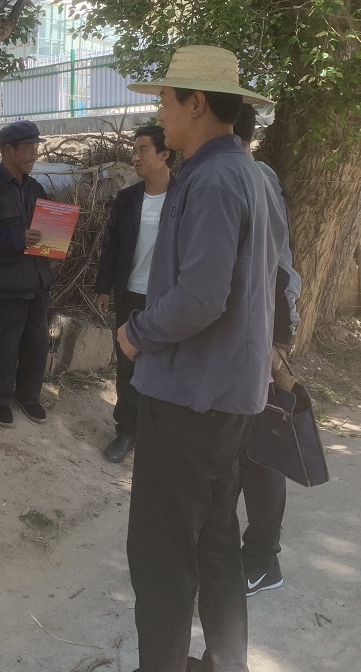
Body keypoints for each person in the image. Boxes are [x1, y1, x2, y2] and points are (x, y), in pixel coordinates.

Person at [119, 46, 286, 671]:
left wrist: (137, 332)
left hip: (190, 397)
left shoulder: (213, 179)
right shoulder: (244, 172)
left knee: (160, 553)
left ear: (195, 103)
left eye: (166, 100)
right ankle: (224, 661)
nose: (159, 113)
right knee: (215, 539)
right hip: (225, 396)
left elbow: (200, 298)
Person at [233, 103, 302, 597]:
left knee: (260, 455)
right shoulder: (228, 175)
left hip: (261, 344)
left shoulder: (256, 179)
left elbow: (277, 266)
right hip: (239, 345)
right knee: (235, 455)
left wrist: (278, 344)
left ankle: (262, 561)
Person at [95, 126, 174, 463]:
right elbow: (111, 246)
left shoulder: (185, 196)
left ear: (164, 154)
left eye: (143, 150)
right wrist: (103, 287)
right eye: (134, 150)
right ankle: (127, 430)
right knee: (127, 365)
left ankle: (159, 433)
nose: (135, 157)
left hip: (168, 299)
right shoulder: (127, 199)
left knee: (166, 364)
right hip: (131, 294)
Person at [0, 119, 51, 427]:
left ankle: (29, 396)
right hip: (4, 284)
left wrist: (56, 240)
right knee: (4, 343)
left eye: (35, 148)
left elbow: (46, 231)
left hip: (38, 280)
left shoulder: (36, 188)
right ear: (8, 150)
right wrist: (18, 238)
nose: (34, 154)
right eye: (28, 148)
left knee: (37, 342)